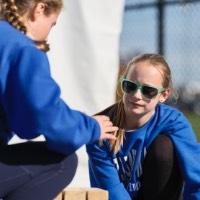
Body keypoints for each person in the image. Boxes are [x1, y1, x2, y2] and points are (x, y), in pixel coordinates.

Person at [0, 0, 118, 199]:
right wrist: (91, 127)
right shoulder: (23, 50)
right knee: (62, 163)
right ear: (40, 8)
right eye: (52, 24)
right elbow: (46, 117)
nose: (49, 33)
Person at [86, 53, 200, 200]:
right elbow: (112, 190)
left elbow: (196, 175)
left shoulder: (173, 121)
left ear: (164, 95)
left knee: (163, 146)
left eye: (148, 91)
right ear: (123, 85)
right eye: (130, 86)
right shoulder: (102, 127)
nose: (137, 95)